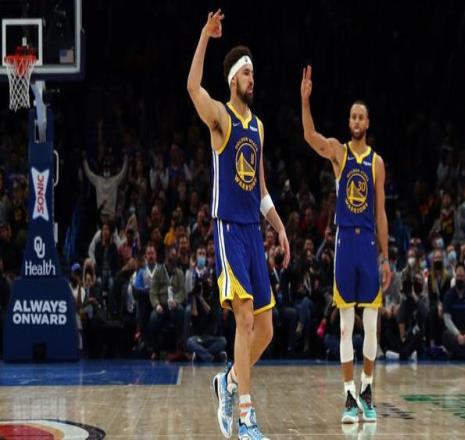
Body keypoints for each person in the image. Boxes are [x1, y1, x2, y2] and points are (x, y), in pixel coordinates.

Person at [187, 9, 290, 439]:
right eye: (246, 73)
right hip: (228, 228)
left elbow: (261, 189)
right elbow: (192, 87)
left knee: (265, 328)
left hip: (253, 230)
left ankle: (228, 381)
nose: (252, 79)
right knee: (244, 318)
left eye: (252, 73)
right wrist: (204, 36)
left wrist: (279, 226)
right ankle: (246, 418)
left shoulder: (258, 127)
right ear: (233, 79)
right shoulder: (220, 117)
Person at [301, 65, 391, 423]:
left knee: (370, 323)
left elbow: (381, 213)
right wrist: (305, 101)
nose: (356, 120)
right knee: (344, 325)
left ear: (367, 123)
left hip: (368, 245)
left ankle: (367, 389)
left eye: (361, 117)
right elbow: (310, 136)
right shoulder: (339, 153)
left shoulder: (377, 163)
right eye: (352, 116)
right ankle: (349, 397)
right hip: (345, 244)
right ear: (349, 121)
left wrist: (386, 258)